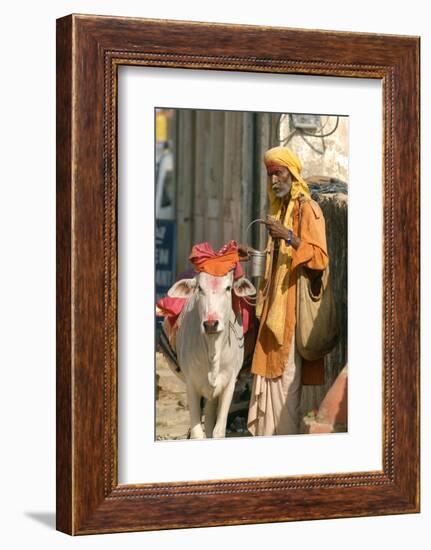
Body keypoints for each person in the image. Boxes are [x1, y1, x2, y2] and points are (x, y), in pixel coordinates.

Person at [239, 146, 329, 436]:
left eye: (278, 173)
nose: (274, 180)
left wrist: (289, 237)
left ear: (291, 173)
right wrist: (251, 253)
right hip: (271, 316)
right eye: (270, 176)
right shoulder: (279, 212)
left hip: (291, 316)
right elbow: (276, 265)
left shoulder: (308, 209)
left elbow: (320, 259)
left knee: (287, 390)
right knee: (271, 385)